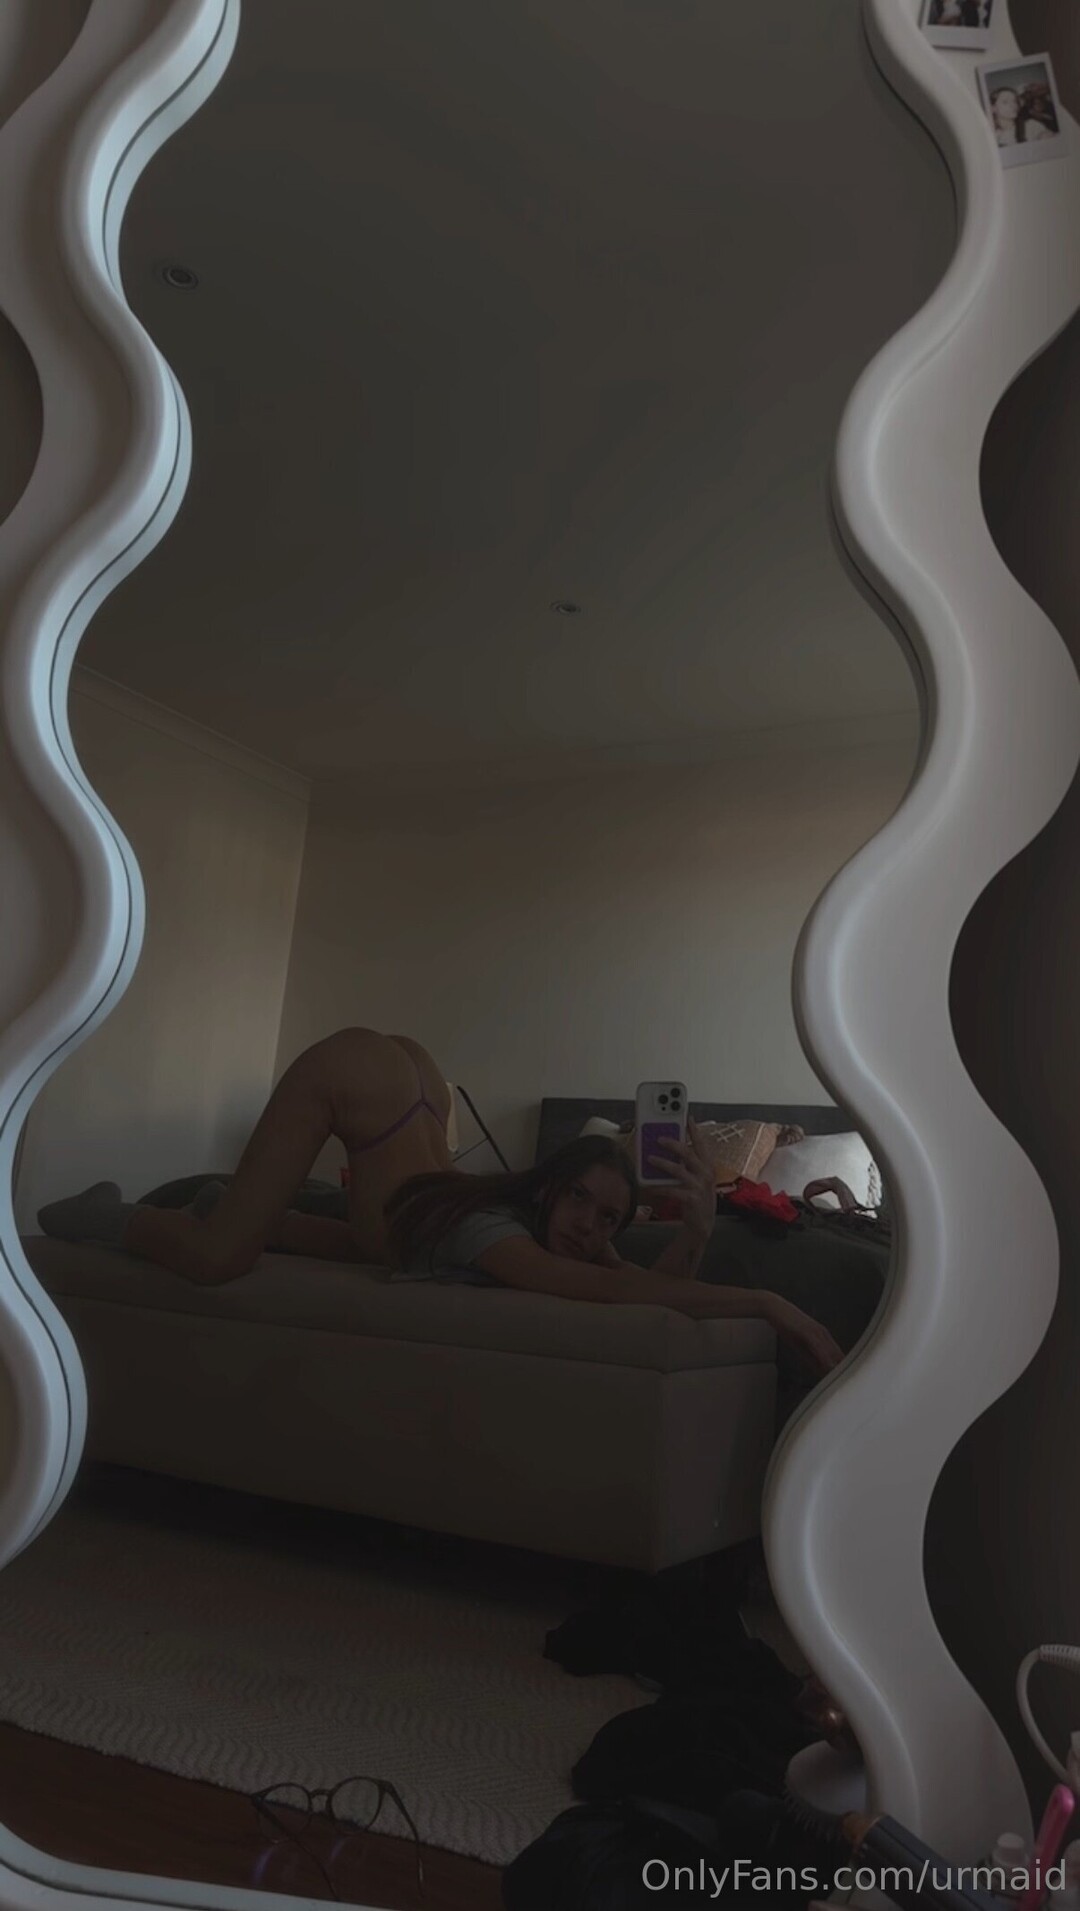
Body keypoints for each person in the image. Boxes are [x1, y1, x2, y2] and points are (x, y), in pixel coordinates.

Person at [38, 1026, 842, 1375]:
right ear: (547, 1184)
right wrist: (769, 1300)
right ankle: (96, 1209)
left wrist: (696, 1230)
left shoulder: (516, 1225)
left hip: (411, 1091)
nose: (589, 1227)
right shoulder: (497, 1233)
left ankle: (229, 1201)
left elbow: (640, 1294)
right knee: (218, 1260)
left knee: (371, 1243)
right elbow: (611, 1290)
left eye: (608, 1219)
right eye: (580, 1200)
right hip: (365, 1078)